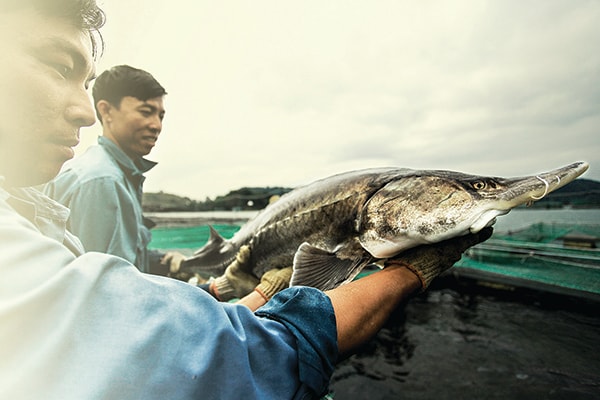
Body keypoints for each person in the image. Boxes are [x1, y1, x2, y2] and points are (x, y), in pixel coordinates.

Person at [0, 1, 491, 399]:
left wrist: (197, 276)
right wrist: (410, 271)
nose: (82, 111)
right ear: (109, 113)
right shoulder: (97, 182)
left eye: (161, 115)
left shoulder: (49, 197)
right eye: (59, 66)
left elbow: (108, 297)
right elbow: (129, 340)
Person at [43, 64, 185, 276]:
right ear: (106, 111)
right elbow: (106, 286)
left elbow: (117, 257)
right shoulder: (103, 180)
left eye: (161, 116)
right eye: (146, 112)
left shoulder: (107, 171)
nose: (156, 125)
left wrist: (162, 261)